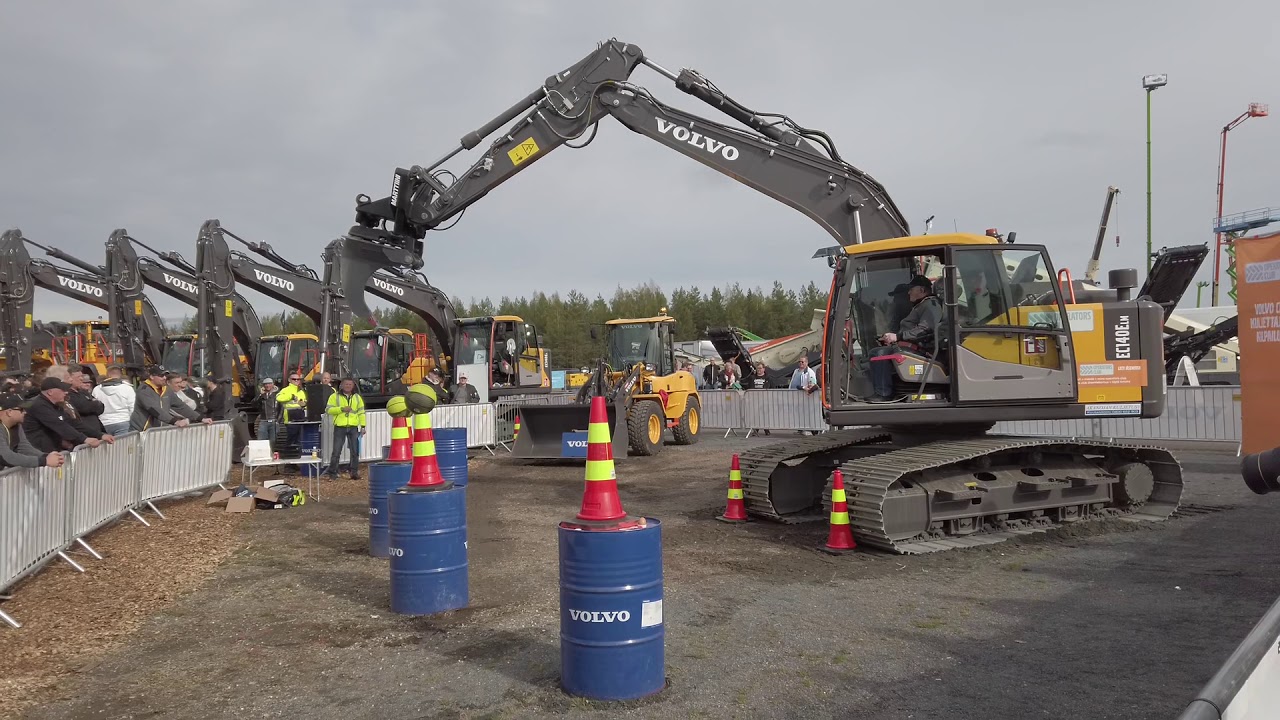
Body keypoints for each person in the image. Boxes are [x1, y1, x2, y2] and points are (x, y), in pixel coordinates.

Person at [868, 275, 942, 403]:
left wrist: (897, 337)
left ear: (922, 290)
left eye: (911, 289)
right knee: (876, 352)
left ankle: (884, 393)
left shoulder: (931, 305)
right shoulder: (923, 305)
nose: (908, 292)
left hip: (922, 350)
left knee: (879, 354)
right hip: (912, 346)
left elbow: (924, 330)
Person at [23, 377, 112, 453]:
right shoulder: (39, 406)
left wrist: (99, 435)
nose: (66, 392)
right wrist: (84, 439)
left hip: (50, 452)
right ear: (50, 392)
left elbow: (73, 423)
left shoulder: (56, 405)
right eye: (62, 390)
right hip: (38, 452)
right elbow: (59, 425)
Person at [0, 393, 65, 470]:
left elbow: (24, 449)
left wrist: (45, 456)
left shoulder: (16, 425)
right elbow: (5, 457)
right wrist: (44, 461)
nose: (25, 412)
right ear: (9, 412)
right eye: (22, 410)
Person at [325, 376, 366, 480]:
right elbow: (328, 410)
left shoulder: (357, 397)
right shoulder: (334, 396)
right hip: (340, 426)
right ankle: (332, 473)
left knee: (355, 451)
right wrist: (341, 409)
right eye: (346, 384)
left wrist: (363, 426)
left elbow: (361, 413)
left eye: (350, 384)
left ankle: (354, 473)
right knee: (336, 451)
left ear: (353, 386)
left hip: (353, 427)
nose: (348, 386)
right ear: (342, 385)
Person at [66, 365, 107, 439]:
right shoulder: (68, 394)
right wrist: (93, 404)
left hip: (97, 432)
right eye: (79, 377)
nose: (82, 379)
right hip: (85, 435)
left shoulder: (84, 392)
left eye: (82, 376)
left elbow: (101, 407)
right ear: (70, 378)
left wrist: (93, 404)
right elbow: (83, 407)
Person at [93, 364, 135, 435]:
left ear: (107, 375)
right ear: (120, 376)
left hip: (103, 423)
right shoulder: (127, 388)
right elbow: (132, 408)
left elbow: (94, 408)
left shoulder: (97, 389)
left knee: (106, 446)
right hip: (123, 422)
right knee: (123, 445)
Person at [275, 372, 308, 451]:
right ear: (289, 380)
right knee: (291, 436)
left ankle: (296, 455)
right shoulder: (286, 390)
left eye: (298, 379)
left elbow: (304, 403)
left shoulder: (301, 391)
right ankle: (288, 454)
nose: (296, 381)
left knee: (300, 437)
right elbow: (278, 398)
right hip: (290, 415)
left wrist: (304, 405)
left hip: (300, 414)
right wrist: (291, 396)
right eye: (294, 379)